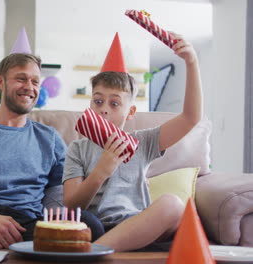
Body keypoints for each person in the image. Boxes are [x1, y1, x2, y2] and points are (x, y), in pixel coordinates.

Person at [0, 53, 104, 249]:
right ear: (1, 82)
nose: (29, 87)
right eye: (21, 79)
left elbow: (58, 190)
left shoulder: (50, 138)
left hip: (28, 224)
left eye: (35, 81)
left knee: (91, 226)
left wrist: (55, 222)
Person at [63, 32, 203, 252]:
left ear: (131, 112)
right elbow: (71, 205)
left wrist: (191, 62)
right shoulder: (77, 148)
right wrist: (101, 170)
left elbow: (190, 118)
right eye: (98, 100)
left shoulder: (143, 142)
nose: (104, 108)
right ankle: (97, 251)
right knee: (84, 224)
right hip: (96, 228)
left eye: (115, 103)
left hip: (140, 227)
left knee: (173, 204)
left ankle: (91, 255)